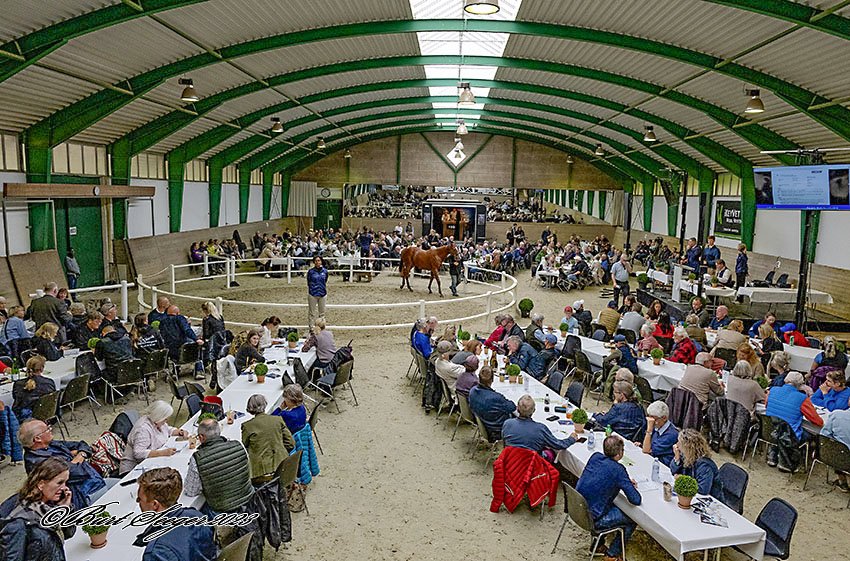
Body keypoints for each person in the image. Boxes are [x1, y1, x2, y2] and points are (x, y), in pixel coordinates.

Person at [576, 436, 642, 561]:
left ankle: (598, 545)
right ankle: (612, 554)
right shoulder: (618, 470)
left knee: (611, 504)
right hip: (593, 520)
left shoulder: (595, 457)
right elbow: (635, 499)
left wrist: (623, 481)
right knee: (632, 519)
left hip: (578, 509)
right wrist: (625, 482)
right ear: (619, 454)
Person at [18, 419, 107, 509]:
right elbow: (77, 472)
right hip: (85, 496)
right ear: (37, 438)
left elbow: (82, 444)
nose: (51, 429)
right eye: (47, 429)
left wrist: (77, 457)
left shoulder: (50, 444)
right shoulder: (38, 461)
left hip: (96, 482)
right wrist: (81, 455)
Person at [0, 457, 76, 561]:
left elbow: (68, 534)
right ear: (41, 484)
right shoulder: (18, 522)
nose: (64, 488)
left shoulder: (51, 502)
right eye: (59, 483)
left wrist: (65, 509)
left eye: (65, 482)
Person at [134, 467, 218, 561]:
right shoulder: (197, 516)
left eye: (139, 499)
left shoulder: (156, 552)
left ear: (155, 504)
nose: (138, 503)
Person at [183, 418, 254, 514]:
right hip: (249, 501)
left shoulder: (197, 459)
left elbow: (191, 491)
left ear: (201, 437)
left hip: (221, 510)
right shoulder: (238, 445)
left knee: (197, 510)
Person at [765, 371, 823, 471]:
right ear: (801, 385)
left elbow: (766, 406)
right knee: (811, 434)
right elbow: (818, 422)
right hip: (789, 436)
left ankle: (773, 455)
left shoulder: (772, 390)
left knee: (781, 427)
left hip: (772, 431)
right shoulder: (802, 398)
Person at [119, 401, 187, 474]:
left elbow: (167, 429)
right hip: (134, 469)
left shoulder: (157, 421)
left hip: (151, 463)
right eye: (165, 419)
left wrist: (179, 432)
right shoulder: (143, 429)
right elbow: (138, 453)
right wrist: (162, 453)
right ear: (159, 417)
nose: (166, 421)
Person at [242, 394, 295, 483]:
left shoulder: (247, 426)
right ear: (265, 404)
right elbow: (291, 443)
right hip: (283, 467)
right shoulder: (278, 420)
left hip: (260, 473)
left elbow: (245, 446)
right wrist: (279, 451)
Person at [502, 395, 576, 454]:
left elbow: (505, 444)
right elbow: (559, 445)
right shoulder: (540, 429)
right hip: (532, 464)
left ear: (517, 409)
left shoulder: (507, 423)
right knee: (550, 453)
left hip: (510, 461)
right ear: (534, 411)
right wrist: (571, 439)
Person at [668, 429, 722, 497]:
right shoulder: (685, 456)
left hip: (709, 500)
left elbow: (703, 489)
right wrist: (677, 458)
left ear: (688, 448)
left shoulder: (705, 466)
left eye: (680, 443)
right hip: (691, 494)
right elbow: (673, 471)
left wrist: (683, 480)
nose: (677, 445)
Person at [469, 367, 516, 440]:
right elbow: (512, 407)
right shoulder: (496, 398)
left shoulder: (472, 391)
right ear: (492, 380)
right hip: (496, 430)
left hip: (482, 424)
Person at [11, 355, 55, 419]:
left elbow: (16, 399)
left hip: (24, 417)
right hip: (46, 415)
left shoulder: (18, 384)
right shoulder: (50, 382)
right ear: (42, 368)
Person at [639, 400, 679, 466]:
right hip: (652, 460)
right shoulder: (657, 426)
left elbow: (646, 450)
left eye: (654, 419)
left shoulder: (671, 434)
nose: (650, 421)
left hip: (662, 465)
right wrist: (641, 445)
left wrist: (649, 431)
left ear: (664, 418)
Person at [821, 408, 850, 491]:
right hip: (844, 457)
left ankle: (842, 481)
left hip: (833, 457)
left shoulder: (836, 415)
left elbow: (824, 436)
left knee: (837, 449)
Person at [307, 255, 328, 327]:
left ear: (321, 261)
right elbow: (309, 282)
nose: (317, 262)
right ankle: (311, 328)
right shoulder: (311, 272)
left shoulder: (325, 271)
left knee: (322, 313)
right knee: (312, 313)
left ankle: (321, 327)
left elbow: (325, 280)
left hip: (322, 293)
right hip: (313, 294)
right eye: (316, 261)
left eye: (318, 260)